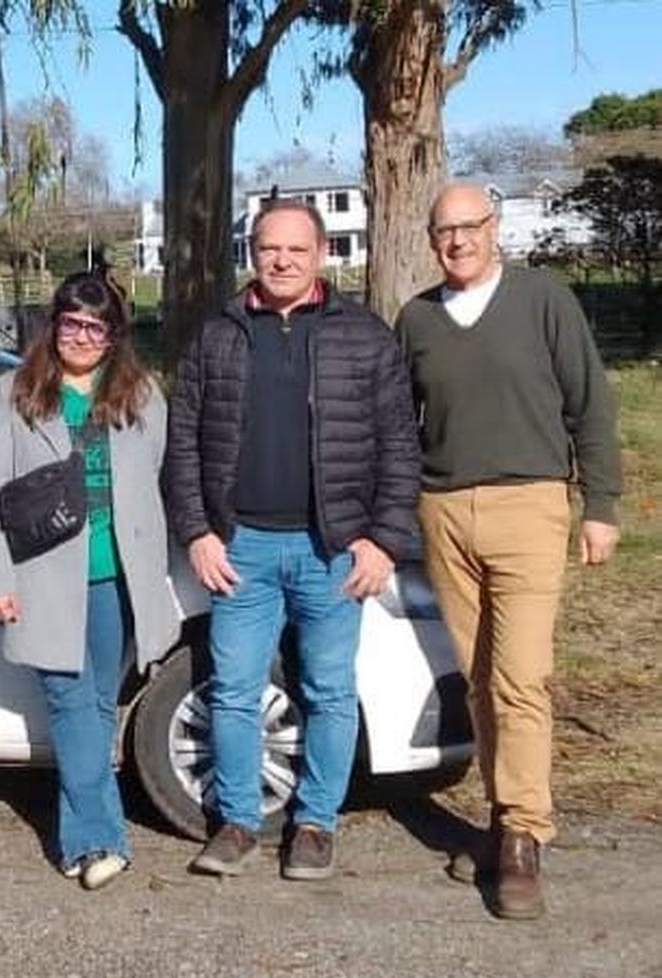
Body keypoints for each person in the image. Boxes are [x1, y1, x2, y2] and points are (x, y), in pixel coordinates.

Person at [164, 198, 421, 881]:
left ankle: (314, 824)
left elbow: (400, 446)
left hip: (332, 549)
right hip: (240, 545)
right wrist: (196, 531)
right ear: (251, 251)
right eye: (268, 248)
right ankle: (239, 822)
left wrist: (385, 540)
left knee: (330, 689)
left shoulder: (364, 337)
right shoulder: (216, 334)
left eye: (296, 250)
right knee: (234, 689)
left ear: (322, 254)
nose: (280, 260)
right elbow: (182, 441)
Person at [396, 183, 622, 921]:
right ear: (431, 240)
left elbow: (589, 402)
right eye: (444, 231)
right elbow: (403, 423)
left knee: (520, 675)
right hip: (444, 511)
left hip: (529, 504)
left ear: (494, 228)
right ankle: (502, 816)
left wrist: (601, 506)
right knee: (480, 677)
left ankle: (525, 834)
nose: (457, 241)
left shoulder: (541, 300)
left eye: (470, 227)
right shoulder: (418, 318)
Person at [0, 272, 175, 891]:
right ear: (53, 323)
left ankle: (87, 835)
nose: (82, 337)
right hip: (44, 578)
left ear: (114, 335)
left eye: (96, 326)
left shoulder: (142, 395)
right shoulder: (15, 393)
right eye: (71, 323)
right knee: (67, 702)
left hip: (116, 574)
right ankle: (98, 840)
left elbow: (153, 471)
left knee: (93, 705)